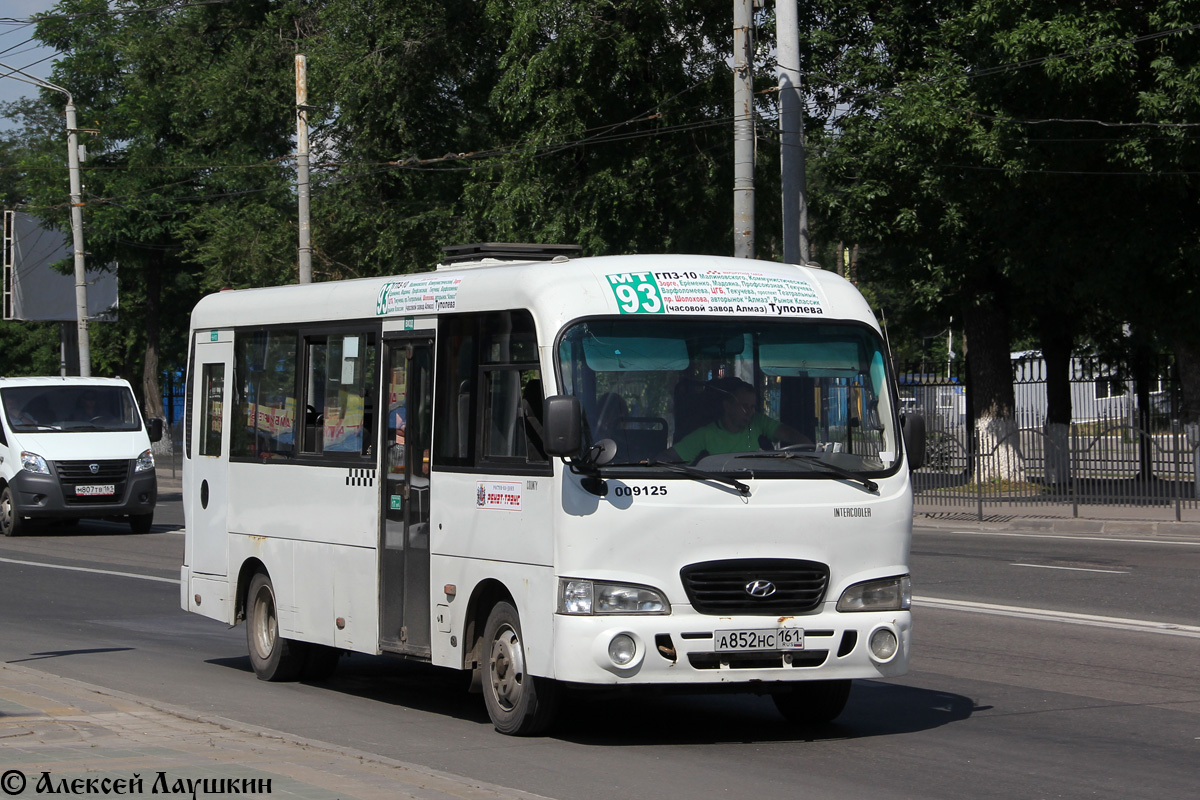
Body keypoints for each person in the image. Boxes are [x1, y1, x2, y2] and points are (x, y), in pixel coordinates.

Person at [667, 377, 807, 463]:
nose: (750, 412)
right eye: (744, 406)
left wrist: (811, 449)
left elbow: (788, 434)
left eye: (753, 407)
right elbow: (669, 457)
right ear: (727, 406)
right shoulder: (704, 435)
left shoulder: (757, 422)